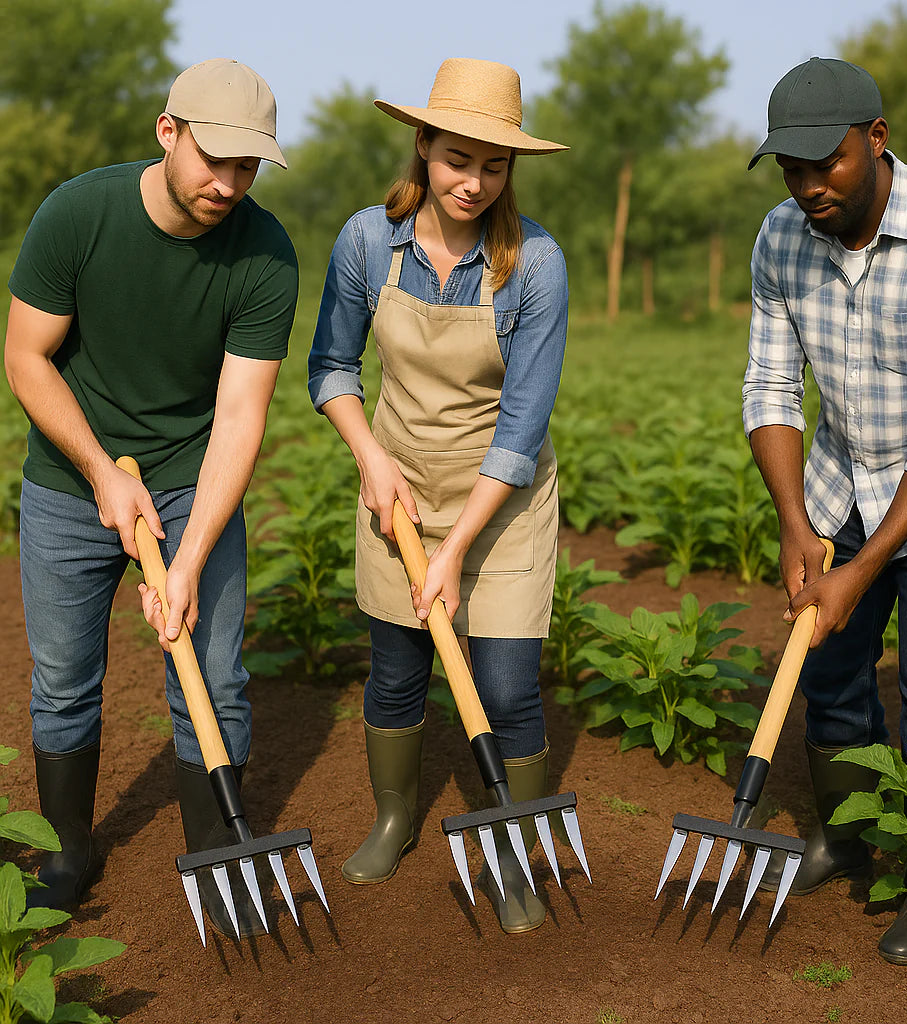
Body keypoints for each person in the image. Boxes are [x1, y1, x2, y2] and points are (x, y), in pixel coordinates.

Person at [4, 58, 298, 935]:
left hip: (191, 480)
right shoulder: (77, 215)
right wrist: (101, 471)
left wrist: (191, 555)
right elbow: (25, 357)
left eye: (247, 167)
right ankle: (68, 849)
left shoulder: (265, 253)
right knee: (63, 678)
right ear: (168, 132)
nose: (228, 184)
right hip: (70, 480)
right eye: (214, 159)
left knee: (214, 675)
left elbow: (239, 416)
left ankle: (217, 851)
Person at [743, 56, 907, 964]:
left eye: (826, 162)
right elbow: (771, 387)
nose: (808, 186)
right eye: (791, 169)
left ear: (877, 139)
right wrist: (798, 526)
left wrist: (862, 569)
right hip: (840, 478)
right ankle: (845, 836)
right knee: (830, 672)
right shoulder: (781, 238)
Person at [309, 57, 569, 934]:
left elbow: (522, 426)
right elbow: (332, 367)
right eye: (458, 158)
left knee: (507, 688)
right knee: (396, 673)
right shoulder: (366, 242)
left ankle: (511, 852)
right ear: (422, 145)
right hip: (400, 490)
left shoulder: (535, 263)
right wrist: (371, 461)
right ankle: (394, 819)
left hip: (502, 499)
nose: (474, 182)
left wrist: (456, 551)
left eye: (494, 165)